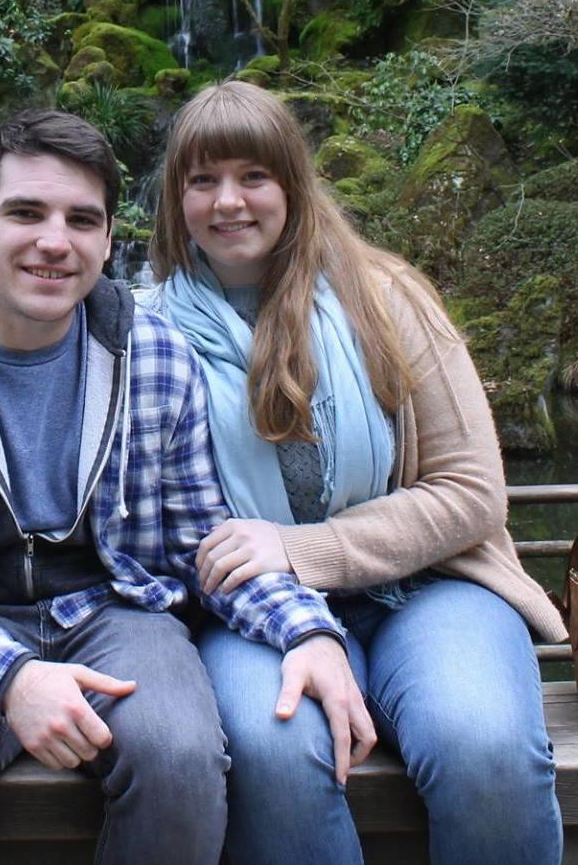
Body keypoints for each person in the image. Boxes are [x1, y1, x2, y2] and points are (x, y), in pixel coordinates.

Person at [0, 108, 371, 865]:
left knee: (181, 754)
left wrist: (307, 628)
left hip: (116, 613)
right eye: (25, 212)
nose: (55, 241)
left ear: (109, 239)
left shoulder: (152, 354)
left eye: (82, 219)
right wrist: (11, 677)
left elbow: (196, 541)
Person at [145, 78, 564, 865]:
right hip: (252, 613)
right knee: (271, 757)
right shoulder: (147, 331)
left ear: (292, 186)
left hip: (433, 588)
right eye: (201, 180)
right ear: (175, 200)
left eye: (252, 176)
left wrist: (306, 549)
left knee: (482, 747)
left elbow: (471, 492)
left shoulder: (385, 297)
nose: (227, 201)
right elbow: (23, 310)